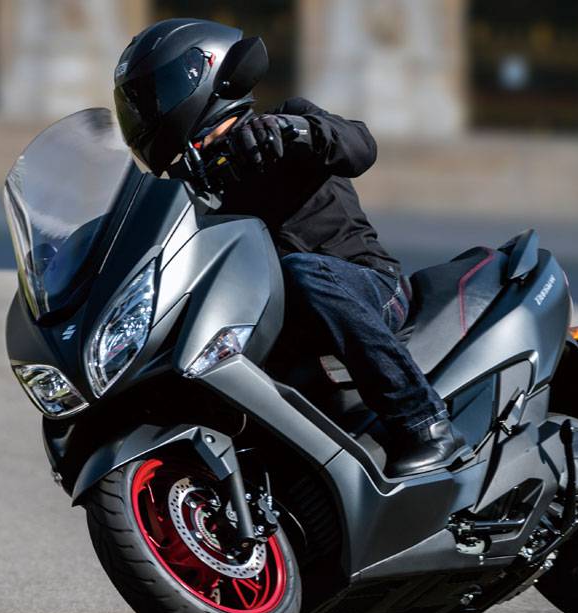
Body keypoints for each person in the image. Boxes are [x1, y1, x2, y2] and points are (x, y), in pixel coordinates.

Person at [112, 18, 466, 476]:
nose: (145, 111)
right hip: (279, 317)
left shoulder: (281, 128)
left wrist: (294, 130)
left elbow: (360, 147)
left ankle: (425, 423)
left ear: (196, 76)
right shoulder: (184, 189)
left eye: (154, 94)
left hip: (366, 286)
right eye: (136, 103)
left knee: (303, 272)